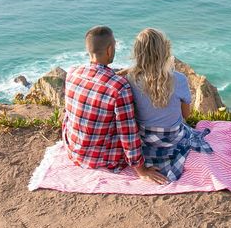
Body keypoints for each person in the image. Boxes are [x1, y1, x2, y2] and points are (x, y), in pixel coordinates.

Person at [62, 25, 167, 184]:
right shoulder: (119, 87)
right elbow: (128, 133)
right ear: (110, 50)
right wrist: (141, 170)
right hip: (101, 159)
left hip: (74, 151)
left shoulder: (72, 73)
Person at [124, 28, 213, 182]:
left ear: (137, 53)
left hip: (144, 140)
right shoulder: (178, 79)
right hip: (172, 138)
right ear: (165, 51)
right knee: (186, 130)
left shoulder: (129, 79)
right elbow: (186, 115)